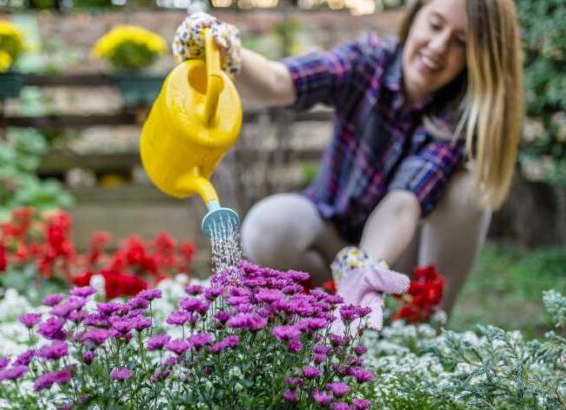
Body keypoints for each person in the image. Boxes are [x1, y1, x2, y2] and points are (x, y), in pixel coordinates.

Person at [171, 0, 523, 330]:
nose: (438, 46)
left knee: (468, 191)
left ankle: (425, 325)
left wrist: (365, 268)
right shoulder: (367, 62)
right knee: (268, 224)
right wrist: (225, 49)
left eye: (461, 42)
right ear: (414, 17)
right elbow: (280, 81)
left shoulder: (459, 117)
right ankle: (322, 319)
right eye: (434, 25)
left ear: (477, 57)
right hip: (330, 235)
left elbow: (403, 203)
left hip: (396, 262)